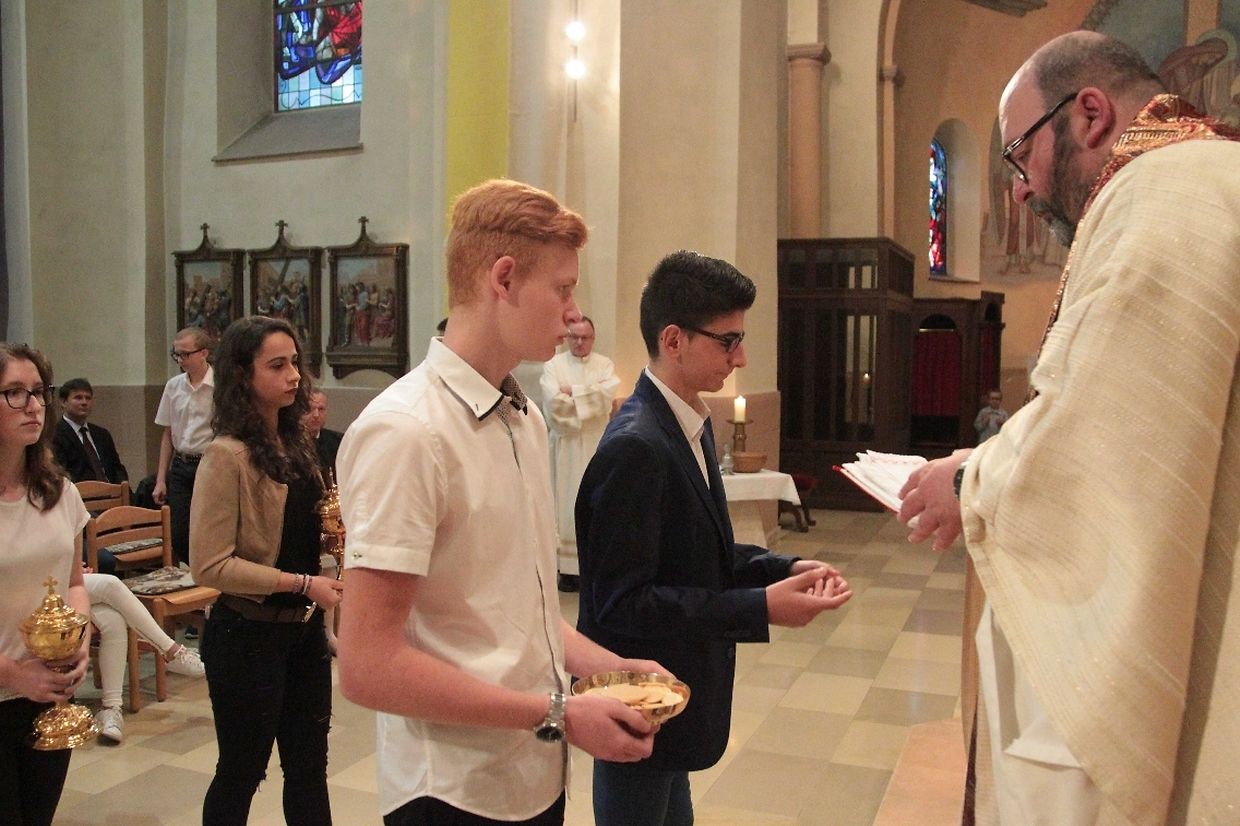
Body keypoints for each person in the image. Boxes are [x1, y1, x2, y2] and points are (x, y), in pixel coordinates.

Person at [896, 31, 1240, 825]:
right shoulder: (1207, 177)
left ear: (1088, 114)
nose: (1019, 192)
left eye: (1020, 157)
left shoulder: (1162, 197)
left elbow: (1107, 444)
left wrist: (969, 480)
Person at [336, 179, 667, 826]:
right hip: (451, 790)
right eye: (563, 289)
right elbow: (367, 666)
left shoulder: (523, 418)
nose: (573, 313)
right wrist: (558, 712)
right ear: (504, 278)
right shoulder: (407, 431)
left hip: (532, 769)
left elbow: (515, 609)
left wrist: (610, 668)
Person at [575, 251, 852, 826]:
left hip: (676, 694)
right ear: (673, 340)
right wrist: (760, 608)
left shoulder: (687, 423)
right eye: (728, 341)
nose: (740, 357)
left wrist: (782, 568)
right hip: (639, 700)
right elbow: (622, 604)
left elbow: (698, 549)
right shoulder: (636, 446)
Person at [190, 316, 343, 825]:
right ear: (242, 374)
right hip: (246, 637)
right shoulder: (225, 455)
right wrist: (302, 584)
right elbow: (210, 564)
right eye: (277, 365)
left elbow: (307, 531)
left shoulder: (298, 444)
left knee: (309, 770)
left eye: (294, 362)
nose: (294, 375)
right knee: (241, 771)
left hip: (302, 634)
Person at [0, 343, 92, 826]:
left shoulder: (59, 492)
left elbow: (75, 582)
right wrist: (13, 674)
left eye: (38, 392)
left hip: (49, 691)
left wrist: (79, 640)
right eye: (14, 393)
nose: (33, 405)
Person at [539, 315, 620, 592]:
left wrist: (572, 391)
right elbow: (554, 404)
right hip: (565, 446)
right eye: (574, 337)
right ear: (567, 338)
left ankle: (591, 567)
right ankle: (567, 570)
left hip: (596, 445)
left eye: (585, 337)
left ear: (593, 339)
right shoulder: (553, 365)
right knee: (564, 505)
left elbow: (607, 395)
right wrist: (587, 400)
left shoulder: (604, 365)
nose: (579, 342)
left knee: (595, 504)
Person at [84, 571, 204, 744]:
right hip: (45, 591)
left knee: (113, 619)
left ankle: (111, 708)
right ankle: (172, 652)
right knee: (110, 584)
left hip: (64, 583)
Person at [153, 327, 214, 566]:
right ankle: (193, 575)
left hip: (208, 464)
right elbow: (167, 433)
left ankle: (208, 578)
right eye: (176, 354)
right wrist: (161, 479)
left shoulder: (219, 385)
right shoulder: (173, 386)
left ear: (203, 353)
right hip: (181, 464)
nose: (180, 360)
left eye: (185, 354)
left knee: (207, 529)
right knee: (179, 534)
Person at [52, 378, 129, 486]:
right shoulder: (54, 435)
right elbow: (61, 474)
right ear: (64, 402)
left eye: (88, 398)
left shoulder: (102, 434)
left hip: (113, 492)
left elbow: (117, 468)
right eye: (78, 398)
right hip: (80, 493)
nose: (84, 402)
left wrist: (123, 484)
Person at [303, 389, 344, 479]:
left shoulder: (339, 442)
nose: (316, 415)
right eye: (310, 409)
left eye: (321, 409)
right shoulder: (288, 442)